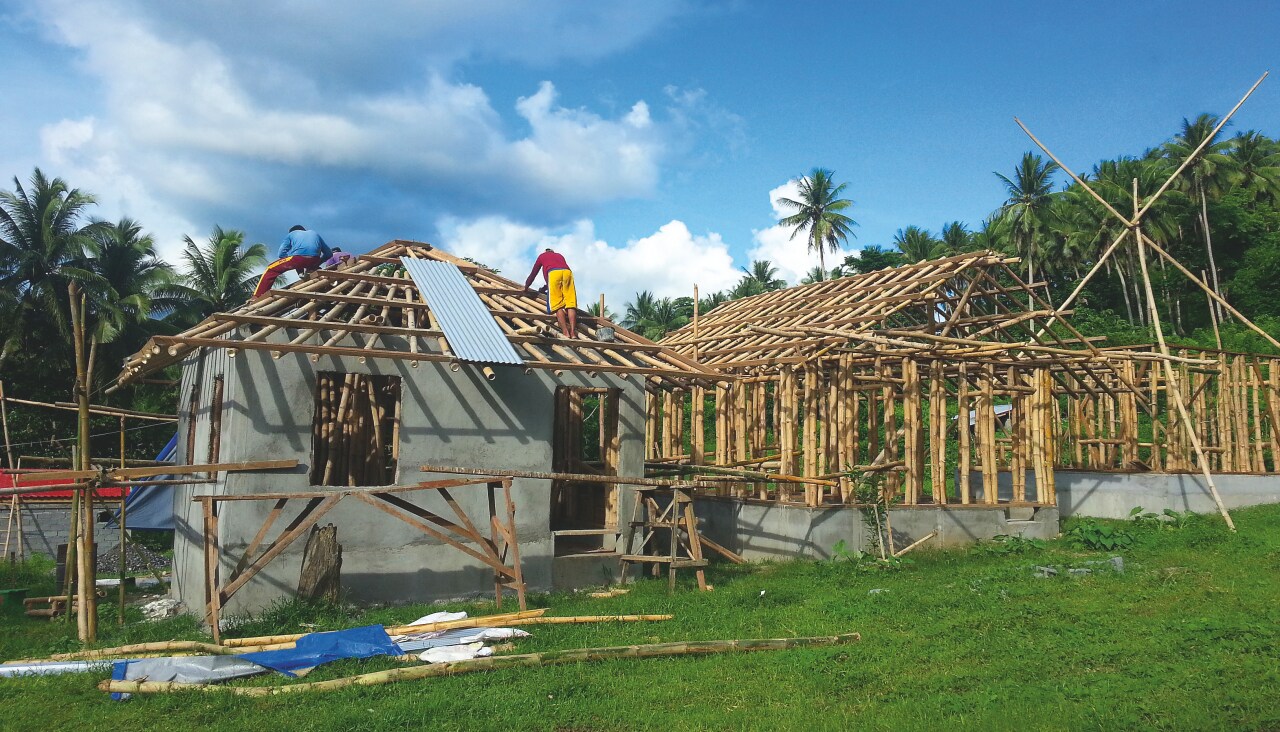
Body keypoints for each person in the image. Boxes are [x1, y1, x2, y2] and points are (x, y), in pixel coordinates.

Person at [254, 225, 333, 298]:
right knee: (298, 262)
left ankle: (257, 296)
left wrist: (289, 260)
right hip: (314, 259)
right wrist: (318, 263)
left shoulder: (291, 234)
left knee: (270, 269)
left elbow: (281, 253)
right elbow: (329, 253)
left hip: (298, 259)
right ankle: (302, 273)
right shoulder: (314, 233)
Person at [525, 247, 577, 338]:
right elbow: (558, 275)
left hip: (553, 274)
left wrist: (526, 286)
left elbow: (534, 273)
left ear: (545, 252)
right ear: (553, 252)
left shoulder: (542, 256)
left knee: (557, 304)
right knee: (570, 303)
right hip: (568, 273)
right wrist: (545, 288)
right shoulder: (559, 255)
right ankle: (573, 332)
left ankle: (565, 332)